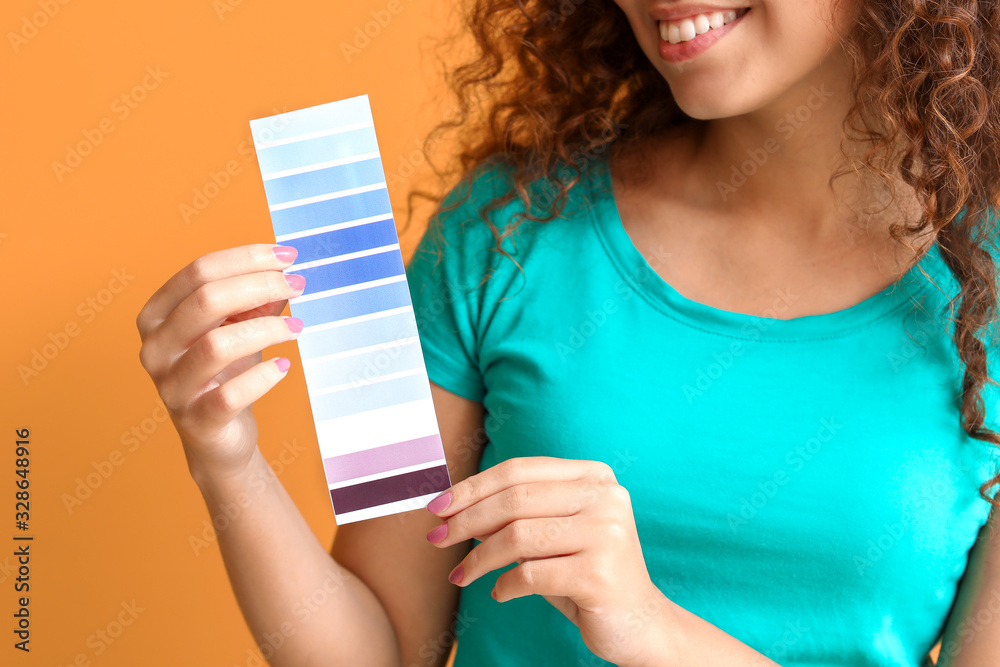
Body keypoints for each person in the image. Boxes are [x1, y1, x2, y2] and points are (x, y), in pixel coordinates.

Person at [135, 0, 1000, 665]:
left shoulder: (985, 299)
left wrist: (655, 630)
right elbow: (380, 649)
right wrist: (226, 458)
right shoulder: (500, 231)